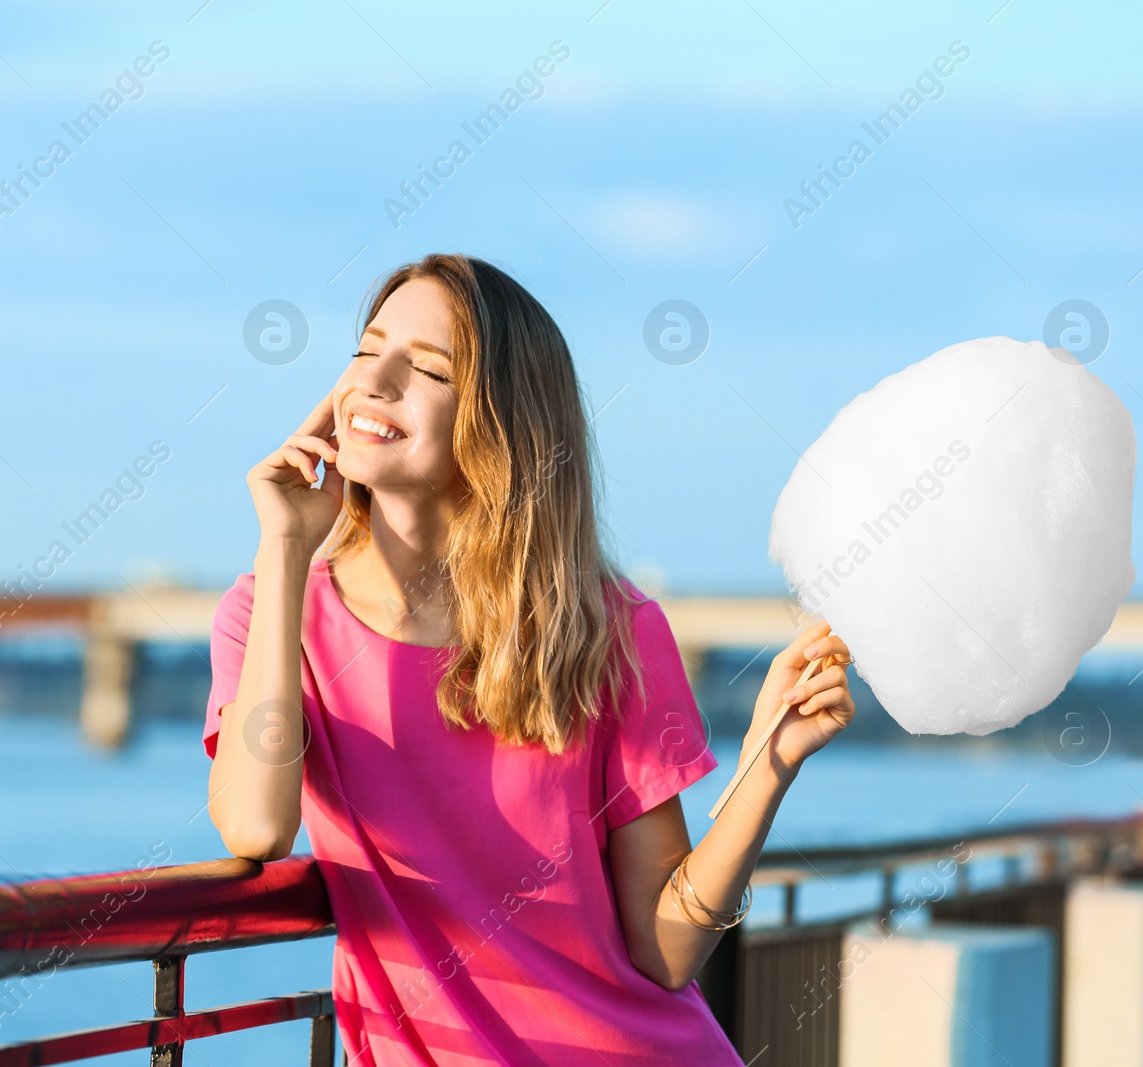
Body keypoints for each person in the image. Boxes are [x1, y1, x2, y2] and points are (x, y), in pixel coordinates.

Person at [203, 253, 856, 1065]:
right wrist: (287, 545)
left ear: (498, 423)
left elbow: (666, 950)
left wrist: (770, 759)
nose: (376, 381)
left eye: (428, 369)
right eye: (368, 351)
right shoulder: (270, 610)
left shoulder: (608, 627)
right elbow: (256, 826)